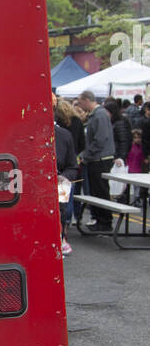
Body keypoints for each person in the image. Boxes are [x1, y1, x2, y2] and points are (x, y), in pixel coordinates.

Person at [76, 90, 115, 231]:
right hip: (95, 158)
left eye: (81, 103)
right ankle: (100, 220)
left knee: (100, 191)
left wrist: (85, 154)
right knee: (96, 191)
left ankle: (105, 221)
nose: (80, 106)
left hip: (100, 159)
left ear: (87, 100)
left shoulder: (100, 115)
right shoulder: (97, 115)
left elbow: (100, 139)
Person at [55, 120, 79, 255]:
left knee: (62, 211)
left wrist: (64, 177)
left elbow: (73, 167)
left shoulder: (64, 135)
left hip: (60, 183)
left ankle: (62, 238)